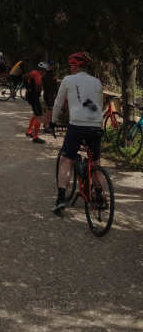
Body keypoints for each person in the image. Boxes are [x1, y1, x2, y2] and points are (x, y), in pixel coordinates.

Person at [52, 52, 103, 214]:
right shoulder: (97, 82)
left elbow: (58, 102)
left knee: (66, 160)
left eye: (71, 65)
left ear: (74, 66)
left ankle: (61, 199)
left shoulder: (68, 80)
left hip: (77, 126)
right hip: (95, 125)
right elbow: (96, 105)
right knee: (94, 162)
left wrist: (53, 121)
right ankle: (101, 197)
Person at [24, 62, 48, 144]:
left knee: (35, 114)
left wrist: (28, 88)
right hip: (34, 98)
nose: (44, 72)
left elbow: (25, 78)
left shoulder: (34, 73)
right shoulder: (36, 74)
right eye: (44, 70)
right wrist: (29, 89)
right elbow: (38, 86)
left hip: (32, 97)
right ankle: (35, 137)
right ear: (42, 70)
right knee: (39, 116)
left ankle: (29, 131)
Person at [42, 61, 58, 131]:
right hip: (49, 95)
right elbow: (52, 86)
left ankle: (46, 124)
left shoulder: (46, 75)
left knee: (48, 110)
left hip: (47, 94)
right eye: (52, 66)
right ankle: (47, 126)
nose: (53, 67)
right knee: (49, 110)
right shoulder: (49, 75)